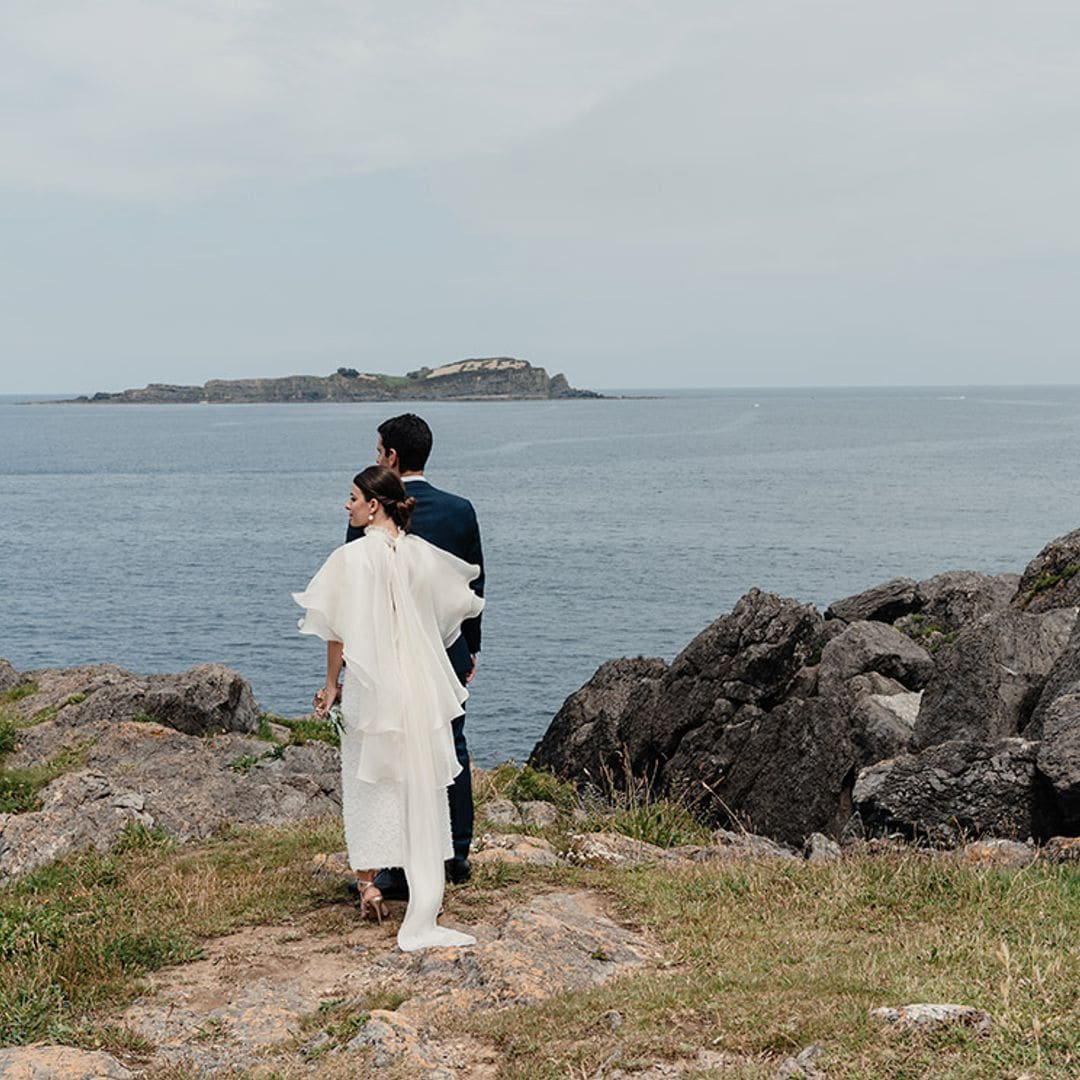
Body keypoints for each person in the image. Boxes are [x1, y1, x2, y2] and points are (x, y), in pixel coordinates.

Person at [294, 465, 484, 951]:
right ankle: (427, 884)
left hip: (373, 682)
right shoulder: (421, 556)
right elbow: (450, 616)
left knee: (368, 777)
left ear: (374, 505)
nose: (347, 505)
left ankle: (369, 881)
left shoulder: (352, 558)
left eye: (353, 497)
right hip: (417, 681)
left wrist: (331, 683)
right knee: (415, 776)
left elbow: (338, 628)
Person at [346, 414, 484, 900]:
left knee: (393, 749)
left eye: (377, 449)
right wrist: (471, 649)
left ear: (391, 458)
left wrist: (347, 668)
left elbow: (356, 595)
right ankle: (456, 851)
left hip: (389, 650)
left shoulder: (370, 510)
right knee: (452, 743)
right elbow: (473, 584)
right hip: (446, 646)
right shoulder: (461, 510)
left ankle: (399, 862)